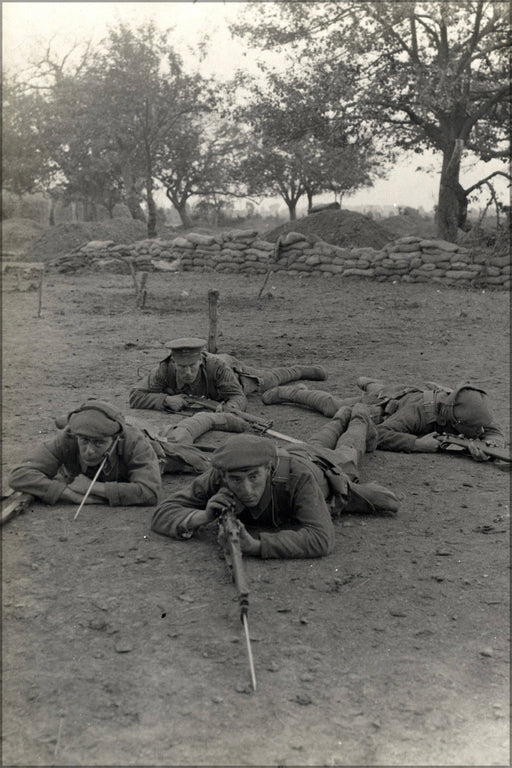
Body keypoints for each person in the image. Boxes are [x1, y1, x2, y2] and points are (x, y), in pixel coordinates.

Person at [151, 403, 400, 559]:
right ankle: (342, 414)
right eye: (236, 480)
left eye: (254, 478)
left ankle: (358, 413)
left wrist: (257, 546)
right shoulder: (220, 474)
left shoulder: (297, 479)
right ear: (224, 475)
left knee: (350, 446)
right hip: (296, 450)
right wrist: (203, 517)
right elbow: (163, 512)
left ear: (268, 469)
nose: (246, 490)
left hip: (325, 466)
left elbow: (322, 539)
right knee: (324, 434)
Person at [8, 400, 215, 508]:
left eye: (99, 443)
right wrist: (69, 494)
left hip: (158, 449)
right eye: (84, 441)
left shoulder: (134, 443)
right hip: (116, 422)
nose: (89, 451)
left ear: (115, 439)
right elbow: (19, 475)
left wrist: (92, 487)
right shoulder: (69, 437)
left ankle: (217, 417)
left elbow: (150, 492)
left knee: (189, 445)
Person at [261, 378, 506, 461]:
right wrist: (416, 444)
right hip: (384, 404)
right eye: (474, 430)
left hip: (401, 391)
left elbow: (492, 429)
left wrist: (491, 445)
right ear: (455, 420)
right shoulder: (418, 414)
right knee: (333, 406)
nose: (480, 431)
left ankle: (368, 381)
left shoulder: (467, 404)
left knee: (380, 387)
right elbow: (381, 433)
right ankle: (292, 392)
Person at [129, 337, 327, 413]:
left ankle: (298, 370)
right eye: (182, 368)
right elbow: (136, 396)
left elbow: (237, 396)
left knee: (268, 380)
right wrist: (166, 400)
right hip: (208, 393)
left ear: (200, 361)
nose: (187, 372)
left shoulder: (217, 367)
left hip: (235, 375)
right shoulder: (164, 369)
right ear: (173, 363)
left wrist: (231, 408)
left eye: (192, 366)